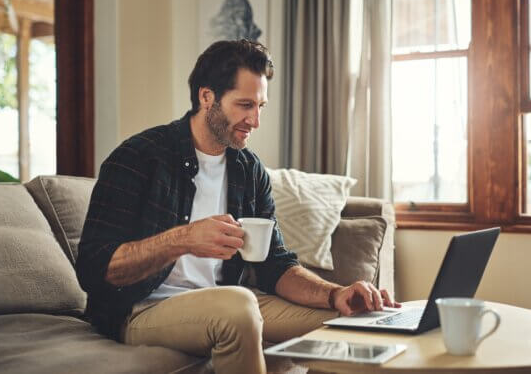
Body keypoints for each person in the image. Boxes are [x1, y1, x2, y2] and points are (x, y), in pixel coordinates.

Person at [76, 39, 400, 374]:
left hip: (229, 299)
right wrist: (184, 239)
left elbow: (277, 265)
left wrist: (336, 294)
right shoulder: (139, 156)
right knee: (238, 305)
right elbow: (94, 268)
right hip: (141, 309)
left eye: (261, 106)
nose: (255, 120)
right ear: (207, 97)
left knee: (350, 323)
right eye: (244, 105)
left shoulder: (248, 169)